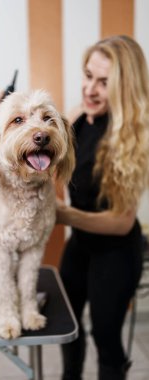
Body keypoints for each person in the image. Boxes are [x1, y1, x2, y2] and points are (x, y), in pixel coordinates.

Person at [56, 35, 149, 380]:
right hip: (80, 245)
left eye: (104, 82)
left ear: (125, 87)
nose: (89, 89)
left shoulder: (134, 137)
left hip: (117, 253)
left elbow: (121, 223)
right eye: (87, 75)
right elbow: (48, 157)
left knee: (105, 337)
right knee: (68, 326)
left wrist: (62, 215)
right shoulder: (79, 116)